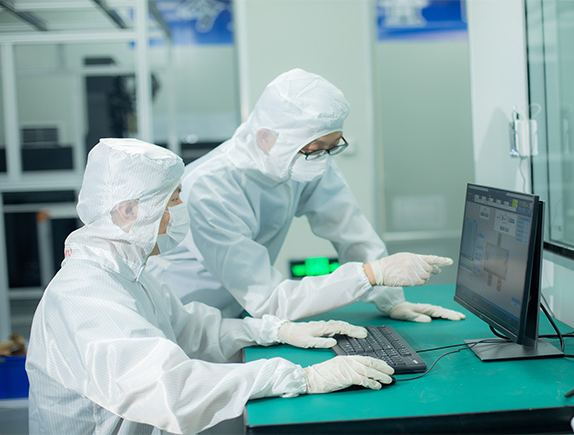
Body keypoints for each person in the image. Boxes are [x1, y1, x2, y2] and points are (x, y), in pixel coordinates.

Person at [25, 138, 395, 435]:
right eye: (173, 200)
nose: (178, 213)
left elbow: (189, 329)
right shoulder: (87, 297)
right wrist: (301, 377)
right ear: (129, 211)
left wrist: (274, 331)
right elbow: (172, 390)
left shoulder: (124, 273)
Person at [147, 68, 466, 323]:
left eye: (333, 147)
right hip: (185, 317)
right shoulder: (209, 189)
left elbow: (350, 231)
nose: (323, 158)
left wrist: (390, 298)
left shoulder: (307, 159)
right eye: (316, 149)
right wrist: (371, 274)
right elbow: (267, 299)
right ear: (267, 138)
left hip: (238, 311)